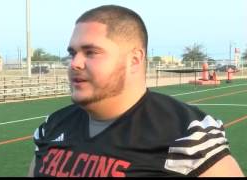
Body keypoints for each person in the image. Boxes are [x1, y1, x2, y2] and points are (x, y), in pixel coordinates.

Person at [28, 5, 244, 177]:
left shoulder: (185, 135)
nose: (74, 63)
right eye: (72, 53)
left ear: (135, 59)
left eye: (91, 52)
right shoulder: (53, 127)